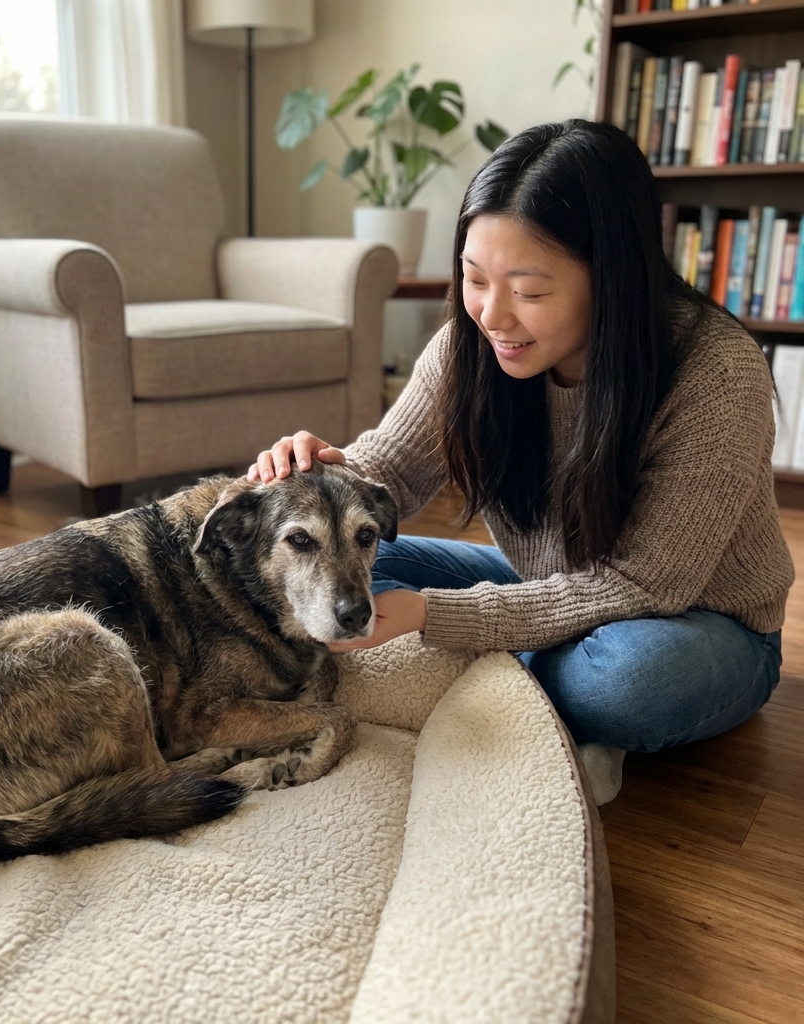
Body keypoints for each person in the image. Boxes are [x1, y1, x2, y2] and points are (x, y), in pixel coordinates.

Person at [249, 118, 793, 802]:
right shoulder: (469, 347)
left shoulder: (714, 373)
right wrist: (315, 475)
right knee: (336, 564)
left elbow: (643, 587)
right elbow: (388, 470)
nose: (492, 315)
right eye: (475, 279)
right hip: (548, 579)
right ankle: (538, 694)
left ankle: (523, 679)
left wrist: (436, 619)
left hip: (699, 624)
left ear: (612, 275)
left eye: (529, 291)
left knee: (626, 683)